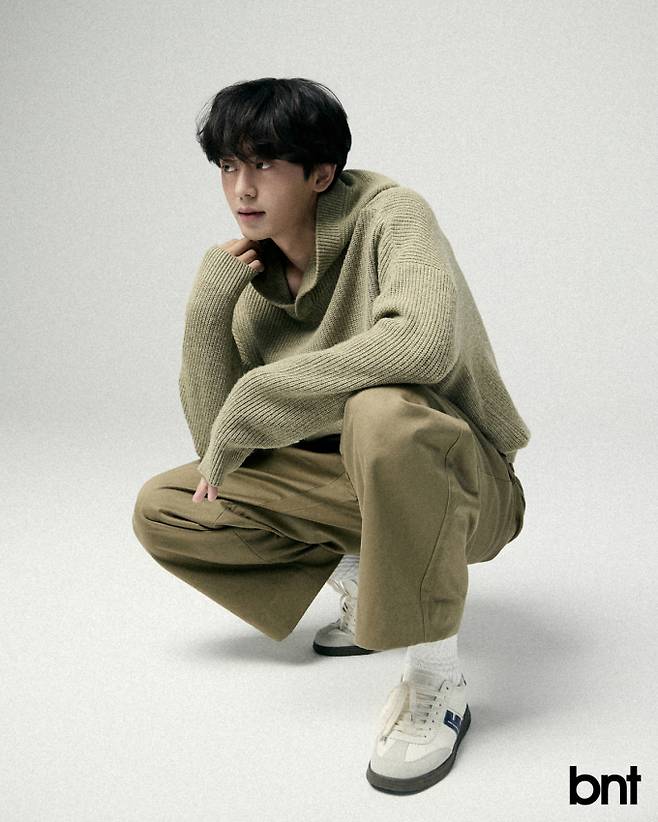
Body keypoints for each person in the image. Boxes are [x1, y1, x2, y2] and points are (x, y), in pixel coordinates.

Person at [132, 76, 530, 795]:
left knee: (382, 414)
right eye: (228, 165)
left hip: (468, 489)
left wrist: (261, 391)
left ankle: (436, 679)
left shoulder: (393, 216)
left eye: (264, 163)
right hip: (354, 493)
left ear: (320, 174)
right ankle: (366, 577)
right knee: (166, 507)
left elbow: (422, 344)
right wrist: (206, 309)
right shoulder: (249, 283)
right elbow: (219, 450)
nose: (242, 187)